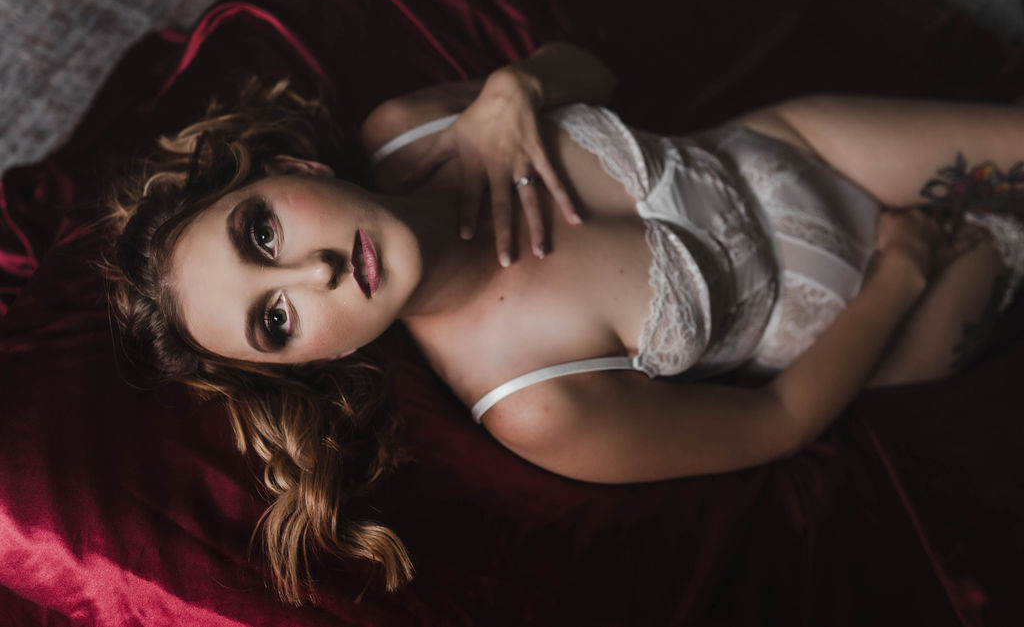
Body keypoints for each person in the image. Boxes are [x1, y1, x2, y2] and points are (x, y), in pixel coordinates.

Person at [105, 42, 1024, 603]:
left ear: (291, 167)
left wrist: (516, 87)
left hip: (801, 150)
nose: (314, 270)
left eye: (261, 230)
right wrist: (900, 275)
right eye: (276, 318)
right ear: (319, 354)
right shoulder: (531, 403)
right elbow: (773, 421)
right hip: (871, 324)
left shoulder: (409, 129)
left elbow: (594, 68)